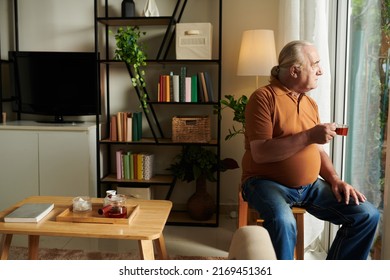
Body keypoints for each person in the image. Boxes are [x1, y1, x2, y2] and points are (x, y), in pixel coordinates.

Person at [241, 40, 380, 260]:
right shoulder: (263, 98)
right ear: (295, 70)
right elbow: (261, 153)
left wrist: (335, 179)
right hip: (263, 182)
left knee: (367, 215)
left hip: (310, 187)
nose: (321, 71)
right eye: (315, 64)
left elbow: (317, 151)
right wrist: (309, 135)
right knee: (283, 221)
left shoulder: (310, 104)